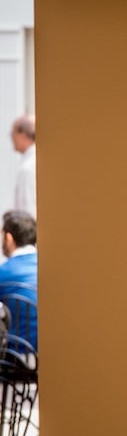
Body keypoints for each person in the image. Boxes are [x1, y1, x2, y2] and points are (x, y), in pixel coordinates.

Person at [0, 210, 37, 350]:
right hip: (49, 351)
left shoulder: (3, 272)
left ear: (9, 238)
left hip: (15, 355)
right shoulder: (47, 269)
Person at [9, 116, 35, 218]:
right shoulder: (35, 160)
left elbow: (27, 211)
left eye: (13, 133)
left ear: (22, 135)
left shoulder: (27, 167)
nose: (11, 137)